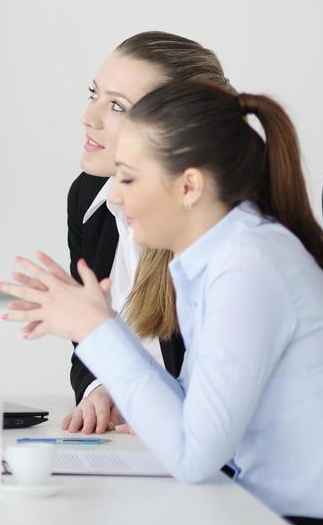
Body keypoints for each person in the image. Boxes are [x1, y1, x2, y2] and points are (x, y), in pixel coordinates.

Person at [0, 80, 323, 523]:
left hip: (308, 523)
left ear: (189, 187)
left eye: (127, 177)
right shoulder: (210, 259)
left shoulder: (247, 266)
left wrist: (96, 331)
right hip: (261, 511)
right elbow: (190, 409)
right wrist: (103, 325)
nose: (116, 195)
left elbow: (193, 455)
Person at [61, 32, 227, 434]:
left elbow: (214, 398)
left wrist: (157, 404)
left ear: (177, 130)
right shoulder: (88, 197)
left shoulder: (217, 227)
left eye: (117, 105)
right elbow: (91, 339)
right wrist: (103, 388)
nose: (89, 117)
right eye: (94, 94)